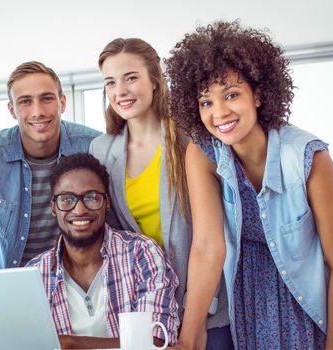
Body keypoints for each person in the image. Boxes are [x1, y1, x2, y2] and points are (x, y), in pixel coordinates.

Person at [165, 20, 333, 349]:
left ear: (258, 95)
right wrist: (190, 337)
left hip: (317, 290)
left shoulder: (309, 156)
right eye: (206, 102)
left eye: (231, 95)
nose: (219, 112)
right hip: (252, 293)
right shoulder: (202, 153)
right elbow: (207, 246)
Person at [90, 38, 231, 348]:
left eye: (131, 78)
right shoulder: (101, 150)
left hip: (207, 306)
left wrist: (195, 324)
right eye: (110, 82)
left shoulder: (191, 139)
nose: (120, 91)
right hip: (147, 313)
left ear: (155, 80)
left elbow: (209, 241)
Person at [0, 61, 101, 271]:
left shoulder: (94, 146)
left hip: (83, 277)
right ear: (12, 110)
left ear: (62, 102)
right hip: (17, 280)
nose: (38, 112)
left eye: (47, 98)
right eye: (25, 101)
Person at [27, 153, 179, 349]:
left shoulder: (142, 254)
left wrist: (71, 344)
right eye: (66, 199)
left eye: (91, 197)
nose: (79, 209)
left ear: (107, 203)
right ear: (53, 208)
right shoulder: (35, 274)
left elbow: (156, 342)